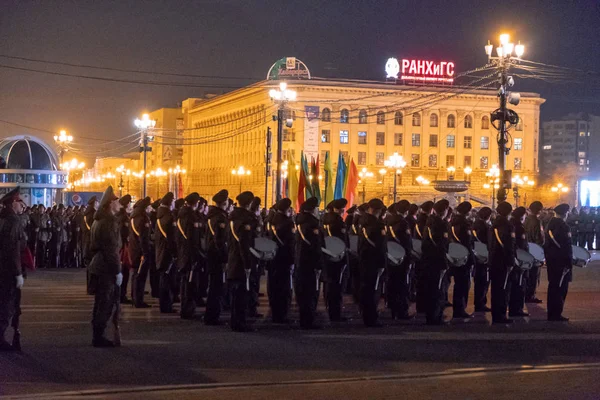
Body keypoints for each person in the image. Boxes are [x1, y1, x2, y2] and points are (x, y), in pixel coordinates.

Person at [88, 186, 123, 347]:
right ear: (110, 203)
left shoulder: (99, 219)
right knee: (106, 302)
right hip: (106, 267)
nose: (120, 204)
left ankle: (97, 334)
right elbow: (112, 248)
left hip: (98, 264)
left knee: (100, 302)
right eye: (117, 201)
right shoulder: (109, 221)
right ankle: (98, 336)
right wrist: (117, 271)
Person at [0, 187, 26, 351]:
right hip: (8, 270)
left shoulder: (3, 219)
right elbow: (13, 249)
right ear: (13, 203)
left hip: (2, 267)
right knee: (8, 304)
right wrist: (18, 273)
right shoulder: (13, 221)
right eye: (20, 201)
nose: (22, 205)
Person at [226, 191, 256, 332]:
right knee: (241, 294)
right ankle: (239, 323)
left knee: (236, 294)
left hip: (233, 259)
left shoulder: (232, 218)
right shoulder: (244, 221)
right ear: (249, 204)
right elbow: (244, 244)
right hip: (241, 261)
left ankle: (236, 321)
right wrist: (248, 265)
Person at [295, 197, 325, 329]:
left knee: (303, 291)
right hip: (310, 262)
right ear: (314, 209)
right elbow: (316, 246)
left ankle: (304, 318)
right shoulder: (312, 224)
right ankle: (308, 320)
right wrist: (319, 265)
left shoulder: (299, 221)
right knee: (310, 292)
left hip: (301, 261)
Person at [358, 198, 387, 327]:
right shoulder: (377, 225)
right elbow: (380, 246)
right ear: (379, 211)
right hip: (374, 261)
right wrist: (382, 264)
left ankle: (366, 315)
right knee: (373, 290)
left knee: (366, 288)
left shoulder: (363, 221)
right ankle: (371, 318)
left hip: (364, 259)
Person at [422, 200, 450, 325]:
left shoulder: (429, 221)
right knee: (438, 289)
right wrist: (444, 263)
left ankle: (431, 315)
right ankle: (435, 317)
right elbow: (441, 246)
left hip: (428, 259)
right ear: (444, 211)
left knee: (430, 288)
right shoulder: (441, 224)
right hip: (438, 261)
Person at [267, 198, 295, 323]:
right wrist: (292, 260)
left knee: (274, 286)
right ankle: (282, 315)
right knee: (284, 288)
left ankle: (275, 313)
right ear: (287, 208)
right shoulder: (288, 222)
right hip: (284, 258)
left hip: (273, 257)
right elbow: (290, 243)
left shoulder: (271, 220)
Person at [204, 189, 229, 325]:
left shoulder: (212, 216)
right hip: (217, 256)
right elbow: (220, 241)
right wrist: (224, 258)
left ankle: (211, 315)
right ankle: (213, 316)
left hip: (212, 254)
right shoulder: (219, 218)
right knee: (216, 287)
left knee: (214, 286)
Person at [385, 200, 413, 320]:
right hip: (402, 256)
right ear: (406, 211)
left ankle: (392, 308)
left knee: (392, 282)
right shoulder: (403, 223)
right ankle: (402, 311)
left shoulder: (389, 221)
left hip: (391, 254)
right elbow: (406, 242)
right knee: (402, 284)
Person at [544, 204, 573, 322]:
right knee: (560, 288)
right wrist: (568, 263)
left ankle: (552, 312)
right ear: (565, 214)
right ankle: (556, 313)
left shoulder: (550, 224)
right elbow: (566, 247)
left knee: (553, 286)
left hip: (552, 260)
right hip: (561, 262)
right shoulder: (563, 226)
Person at [489, 201, 516, 324]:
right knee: (504, 288)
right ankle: (500, 315)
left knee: (496, 288)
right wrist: (511, 262)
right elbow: (509, 246)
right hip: (503, 260)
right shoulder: (508, 225)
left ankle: (496, 314)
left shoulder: (493, 224)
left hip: (494, 259)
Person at [322, 198, 349, 322]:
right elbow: (342, 240)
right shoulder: (338, 221)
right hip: (338, 256)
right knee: (337, 286)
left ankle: (330, 309)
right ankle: (335, 313)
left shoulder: (324, 219)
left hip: (327, 255)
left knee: (329, 284)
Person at [177, 192, 202, 319]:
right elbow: (193, 239)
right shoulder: (191, 217)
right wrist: (195, 255)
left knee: (185, 281)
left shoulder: (181, 215)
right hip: (190, 254)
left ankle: (185, 308)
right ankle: (187, 310)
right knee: (190, 283)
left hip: (183, 253)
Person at [450, 201, 474, 319]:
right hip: (464, 256)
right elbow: (467, 242)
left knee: (458, 284)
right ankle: (460, 310)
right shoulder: (464, 223)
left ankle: (458, 309)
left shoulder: (452, 221)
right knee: (463, 284)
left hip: (456, 254)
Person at [129, 197, 153, 308]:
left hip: (134, 249)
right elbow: (143, 237)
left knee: (135, 275)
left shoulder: (133, 217)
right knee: (140, 276)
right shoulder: (143, 219)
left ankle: (135, 297)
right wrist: (145, 252)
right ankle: (138, 300)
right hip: (140, 251)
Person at [155, 192, 177, 313]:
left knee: (164, 278)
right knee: (167, 280)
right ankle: (166, 305)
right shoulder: (169, 217)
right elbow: (172, 238)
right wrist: (174, 253)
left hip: (160, 251)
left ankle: (164, 304)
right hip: (167, 252)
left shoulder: (160, 216)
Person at [509, 206, 529, 317]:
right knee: (519, 285)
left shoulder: (512, 224)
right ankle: (517, 309)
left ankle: (514, 308)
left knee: (514, 284)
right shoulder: (519, 227)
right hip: (520, 260)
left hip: (515, 258)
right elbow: (521, 245)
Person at [415, 201, 434, 313]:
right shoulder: (426, 222)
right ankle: (422, 306)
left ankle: (421, 306)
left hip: (420, 253)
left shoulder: (419, 220)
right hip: (424, 254)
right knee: (424, 282)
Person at [472, 207, 492, 312]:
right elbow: (488, 242)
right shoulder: (485, 226)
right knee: (483, 281)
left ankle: (479, 302)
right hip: (484, 255)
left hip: (477, 253)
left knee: (478, 281)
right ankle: (480, 303)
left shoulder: (475, 224)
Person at [524, 201, 544, 303]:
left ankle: (526, 293)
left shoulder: (526, 220)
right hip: (535, 250)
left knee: (527, 274)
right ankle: (531, 295)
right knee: (534, 275)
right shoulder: (536, 221)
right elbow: (539, 238)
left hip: (526, 249)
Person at [116, 195, 132, 304]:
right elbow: (124, 232)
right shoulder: (123, 217)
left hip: (120, 247)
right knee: (124, 272)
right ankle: (122, 295)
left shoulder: (119, 215)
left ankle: (121, 294)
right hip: (123, 248)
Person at [82, 196, 98, 294]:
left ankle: (92, 287)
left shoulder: (90, 213)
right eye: (97, 202)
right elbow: (91, 228)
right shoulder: (90, 214)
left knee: (92, 266)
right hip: (89, 243)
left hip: (89, 242)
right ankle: (91, 288)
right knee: (91, 266)